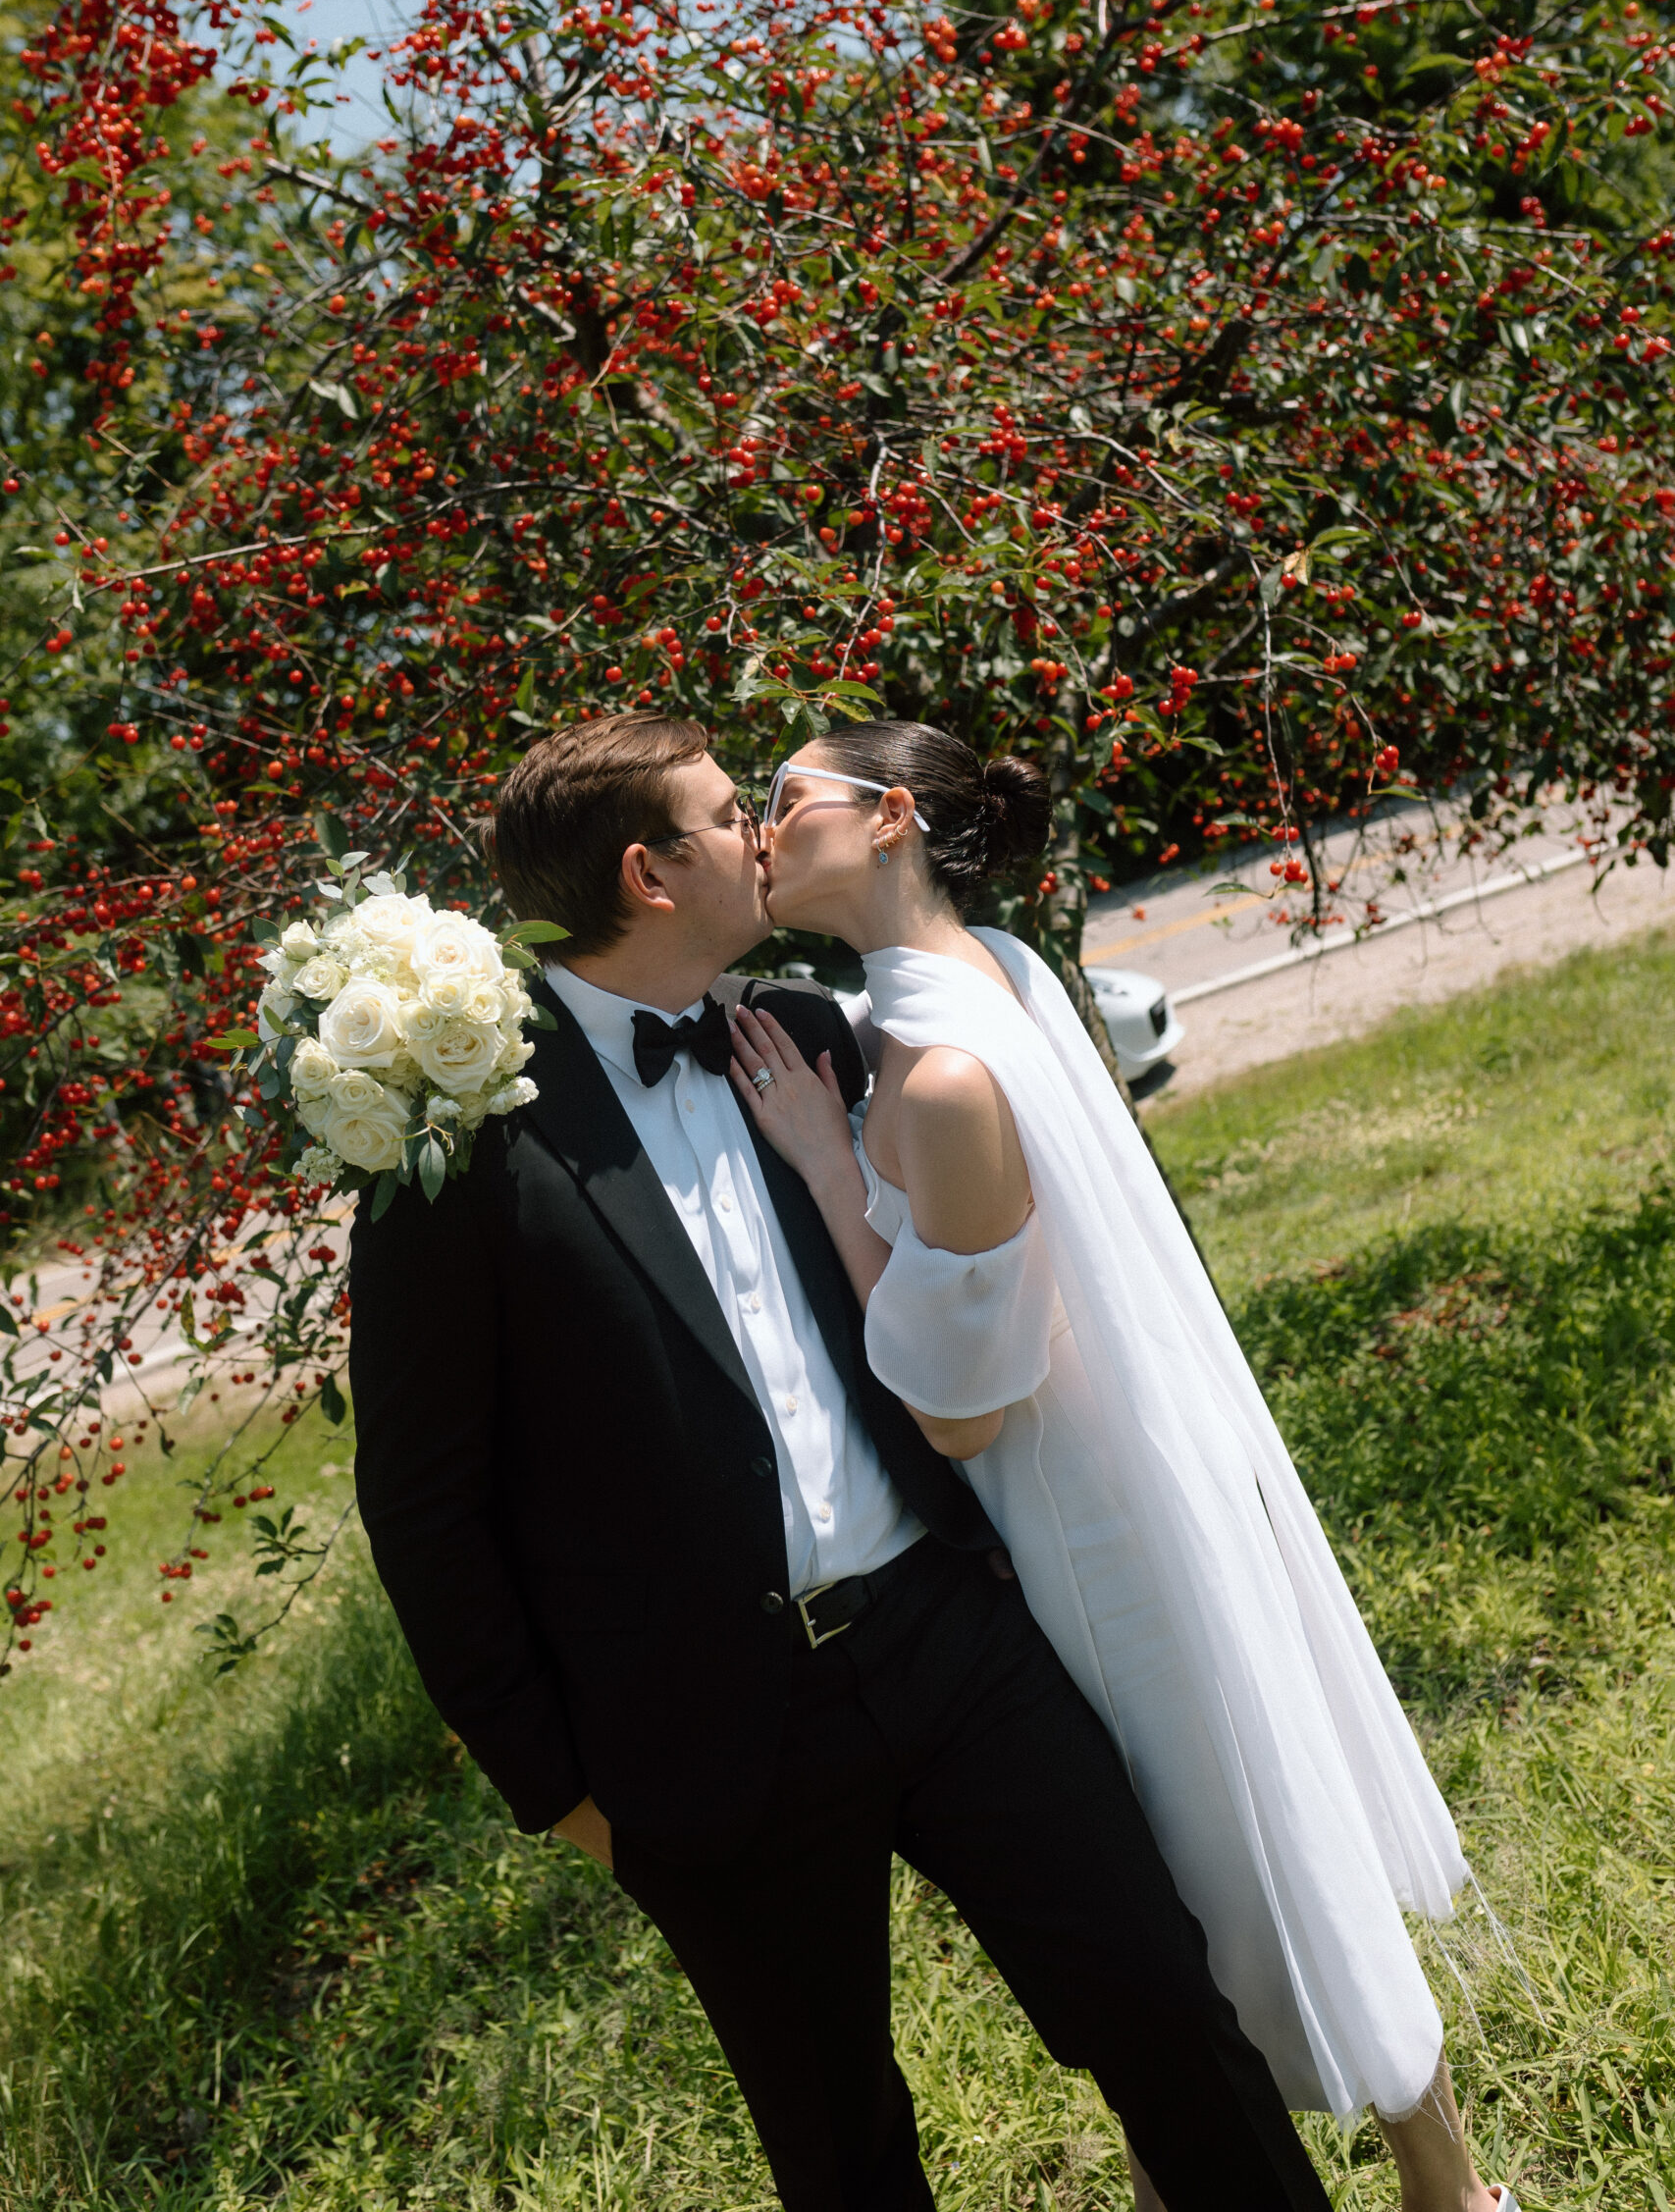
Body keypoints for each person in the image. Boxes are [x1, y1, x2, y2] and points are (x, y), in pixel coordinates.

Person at [347, 710, 1335, 2212]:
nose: (760, 830)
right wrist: (553, 1786)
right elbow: (423, 1502)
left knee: (1166, 2010)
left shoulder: (813, 1034)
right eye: (729, 810)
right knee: (843, 2149)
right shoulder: (470, 1146)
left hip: (949, 1641)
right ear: (648, 871)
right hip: (706, 1735)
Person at [735, 717, 1520, 2212]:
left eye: (785, 803)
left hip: (1086, 1528)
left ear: (890, 815)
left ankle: (1408, 2188)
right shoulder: (1007, 967)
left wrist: (833, 1168)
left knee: (1196, 1878)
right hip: (1147, 1465)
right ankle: (1435, 2187)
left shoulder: (943, 1070)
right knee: (1235, 1836)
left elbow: (963, 1408)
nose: (762, 834)